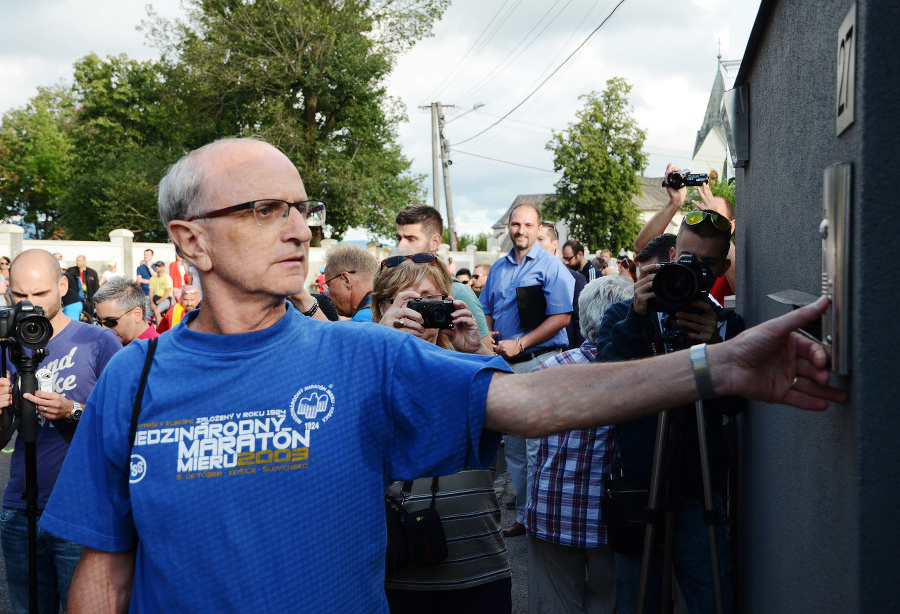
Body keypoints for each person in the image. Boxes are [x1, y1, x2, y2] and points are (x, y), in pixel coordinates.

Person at [38, 138, 844, 612]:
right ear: (190, 241)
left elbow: (529, 397)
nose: (295, 227)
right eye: (262, 210)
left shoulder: (361, 356)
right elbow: (105, 567)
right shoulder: (134, 378)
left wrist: (720, 363)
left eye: (299, 207)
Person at [596, 212, 742, 614]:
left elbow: (736, 405)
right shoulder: (625, 317)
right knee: (638, 602)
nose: (694, 272)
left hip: (701, 488)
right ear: (673, 255)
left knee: (712, 599)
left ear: (723, 269)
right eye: (687, 261)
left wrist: (717, 348)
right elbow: (607, 385)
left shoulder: (726, 325)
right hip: (641, 484)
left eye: (707, 266)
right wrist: (637, 316)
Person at [373, 251, 511, 613]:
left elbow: (517, 416)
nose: (420, 314)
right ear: (382, 308)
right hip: (396, 573)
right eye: (408, 302)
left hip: (479, 570)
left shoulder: (470, 367)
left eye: (431, 302)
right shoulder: (365, 370)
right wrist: (380, 344)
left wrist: (477, 351)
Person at [0, 249, 121, 614]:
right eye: (20, 296)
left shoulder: (99, 342)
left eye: (40, 294)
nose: (30, 305)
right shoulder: (6, 345)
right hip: (19, 507)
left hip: (80, 508)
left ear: (62, 286)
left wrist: (73, 411)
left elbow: (122, 429)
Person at [526, 275, 635, 614]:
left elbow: (533, 444)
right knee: (610, 602)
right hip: (610, 518)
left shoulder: (551, 367)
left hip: (551, 510)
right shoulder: (637, 375)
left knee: (555, 604)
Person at [479, 203, 574, 538]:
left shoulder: (551, 266)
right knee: (516, 450)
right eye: (515, 224)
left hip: (538, 362)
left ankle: (540, 518)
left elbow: (562, 317)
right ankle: (523, 515)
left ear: (538, 229)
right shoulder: (498, 268)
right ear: (509, 226)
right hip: (507, 365)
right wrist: (488, 335)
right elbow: (487, 309)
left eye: (528, 225)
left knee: (537, 449)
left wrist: (521, 343)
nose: (520, 231)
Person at [634, 163, 737, 305]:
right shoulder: (686, 248)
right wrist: (674, 202)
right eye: (701, 213)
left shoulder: (730, 261)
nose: (705, 224)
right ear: (673, 255)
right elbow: (642, 249)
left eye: (716, 218)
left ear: (732, 226)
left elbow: (741, 287)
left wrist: (722, 236)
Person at [395, 205, 490, 348]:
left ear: (435, 242)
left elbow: (486, 352)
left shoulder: (458, 293)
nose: (401, 246)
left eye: (410, 239)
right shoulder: (394, 287)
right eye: (399, 238)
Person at [539, 221, 587, 350]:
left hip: (565, 353)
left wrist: (576, 355)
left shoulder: (575, 279)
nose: (535, 245)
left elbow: (580, 323)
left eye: (540, 239)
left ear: (555, 244)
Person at [93, 278, 160, 345]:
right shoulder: (108, 345)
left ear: (137, 314)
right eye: (99, 322)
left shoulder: (161, 351)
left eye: (110, 322)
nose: (104, 328)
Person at [323, 243, 377, 321]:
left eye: (329, 285)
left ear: (346, 280)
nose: (327, 295)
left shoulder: (361, 320)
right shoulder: (389, 306)